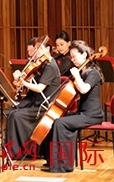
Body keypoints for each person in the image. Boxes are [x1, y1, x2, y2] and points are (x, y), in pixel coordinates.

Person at [45, 40, 104, 172]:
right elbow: (76, 95)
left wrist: (77, 76)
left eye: (74, 56)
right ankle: (53, 162)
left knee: (61, 123)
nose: (72, 60)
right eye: (71, 57)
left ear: (84, 55)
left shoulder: (93, 73)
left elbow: (84, 89)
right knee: (55, 119)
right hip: (82, 112)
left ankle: (62, 165)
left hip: (92, 115)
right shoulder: (83, 72)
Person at [6, 37, 61, 160]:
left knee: (17, 116)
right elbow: (29, 84)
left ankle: (21, 151)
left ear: (47, 49)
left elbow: (40, 88)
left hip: (44, 104)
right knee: (12, 111)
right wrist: (19, 79)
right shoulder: (41, 64)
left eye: (39, 48)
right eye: (35, 48)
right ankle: (13, 149)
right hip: (35, 100)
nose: (36, 51)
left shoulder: (50, 66)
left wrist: (24, 83)